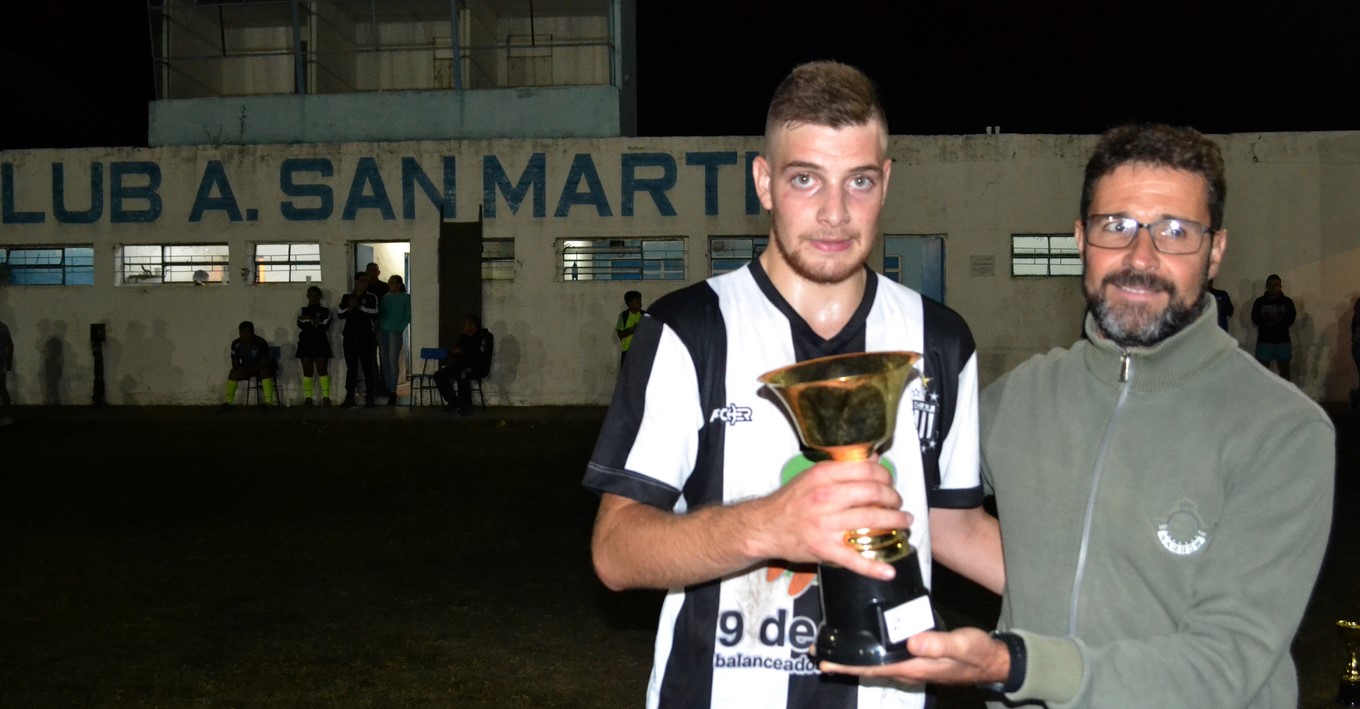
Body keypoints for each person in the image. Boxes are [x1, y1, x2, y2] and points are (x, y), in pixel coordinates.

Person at [823, 124, 1335, 708]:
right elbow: (911, 491)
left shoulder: (1283, 431)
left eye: (1174, 231)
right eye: (1115, 227)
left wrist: (1015, 664)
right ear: (1080, 239)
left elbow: (1224, 666)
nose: (1140, 258)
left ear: (1215, 250)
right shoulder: (1021, 400)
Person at [582, 61, 1002, 709]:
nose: (835, 213)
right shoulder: (688, 329)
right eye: (805, 179)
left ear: (886, 182)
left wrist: (1120, 595)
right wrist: (772, 527)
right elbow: (615, 551)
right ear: (764, 182)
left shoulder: (940, 339)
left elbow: (951, 524)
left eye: (858, 182)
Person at [433, 313, 493, 416]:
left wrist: (463, 352)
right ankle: (454, 402)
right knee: (438, 375)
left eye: (465, 324)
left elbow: (481, 355)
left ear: (473, 326)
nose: (462, 326)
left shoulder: (485, 337)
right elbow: (457, 353)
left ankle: (466, 406)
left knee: (463, 373)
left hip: (478, 366)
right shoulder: (464, 337)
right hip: (463, 364)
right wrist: (453, 352)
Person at [338, 272, 379, 408]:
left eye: (367, 281)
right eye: (362, 281)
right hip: (350, 336)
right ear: (356, 281)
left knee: (368, 368)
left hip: (366, 337)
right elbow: (340, 313)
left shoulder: (371, 297)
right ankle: (349, 396)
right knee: (351, 368)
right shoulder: (347, 297)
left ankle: (370, 396)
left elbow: (375, 313)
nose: (365, 284)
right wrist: (350, 308)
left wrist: (359, 307)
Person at [1250, 273, 1297, 380]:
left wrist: (1271, 324)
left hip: (1283, 341)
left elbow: (1290, 319)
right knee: (1262, 373)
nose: (1273, 287)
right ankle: (1263, 396)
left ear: (1280, 286)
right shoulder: (1259, 302)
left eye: (1276, 284)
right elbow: (1256, 319)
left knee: (1285, 373)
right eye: (1270, 284)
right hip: (1264, 341)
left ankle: (1285, 396)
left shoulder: (1287, 302)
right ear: (1266, 286)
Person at [221, 320, 277, 410]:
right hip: (246, 368)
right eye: (241, 332)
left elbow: (264, 362)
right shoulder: (236, 344)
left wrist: (251, 370)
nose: (244, 335)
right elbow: (234, 362)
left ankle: (269, 403)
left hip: (260, 368)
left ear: (252, 332)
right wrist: (240, 369)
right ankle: (229, 403)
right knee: (233, 373)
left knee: (265, 371)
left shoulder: (261, 343)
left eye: (247, 332)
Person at [295, 285, 334, 406]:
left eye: (316, 295)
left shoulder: (326, 311)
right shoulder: (302, 310)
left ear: (319, 296)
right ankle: (308, 398)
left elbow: (325, 324)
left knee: (322, 370)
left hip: (320, 342)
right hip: (305, 342)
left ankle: (326, 397)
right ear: (307, 296)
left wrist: (309, 321)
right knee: (307, 371)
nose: (313, 298)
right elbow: (300, 323)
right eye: (311, 295)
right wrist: (314, 322)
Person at [378, 275, 411, 405]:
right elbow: (381, 313)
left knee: (393, 360)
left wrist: (400, 327)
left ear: (399, 284)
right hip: (383, 330)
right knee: (384, 360)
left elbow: (408, 315)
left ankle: (393, 389)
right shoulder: (385, 298)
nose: (390, 285)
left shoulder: (405, 298)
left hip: (395, 331)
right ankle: (387, 386)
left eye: (392, 283)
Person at [615, 290, 644, 365]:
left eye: (640, 301)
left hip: (642, 350)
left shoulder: (644, 315)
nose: (640, 303)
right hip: (627, 351)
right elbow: (620, 334)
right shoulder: (624, 316)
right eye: (637, 301)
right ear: (629, 303)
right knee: (627, 375)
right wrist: (634, 329)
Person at [0, 318, 13, 426]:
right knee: (2, 389)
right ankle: (7, 417)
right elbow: (10, 345)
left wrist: (8, 364)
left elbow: (10, 345)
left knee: (2, 389)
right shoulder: (3, 327)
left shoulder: (2, 327)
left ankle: (7, 417)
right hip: (2, 364)